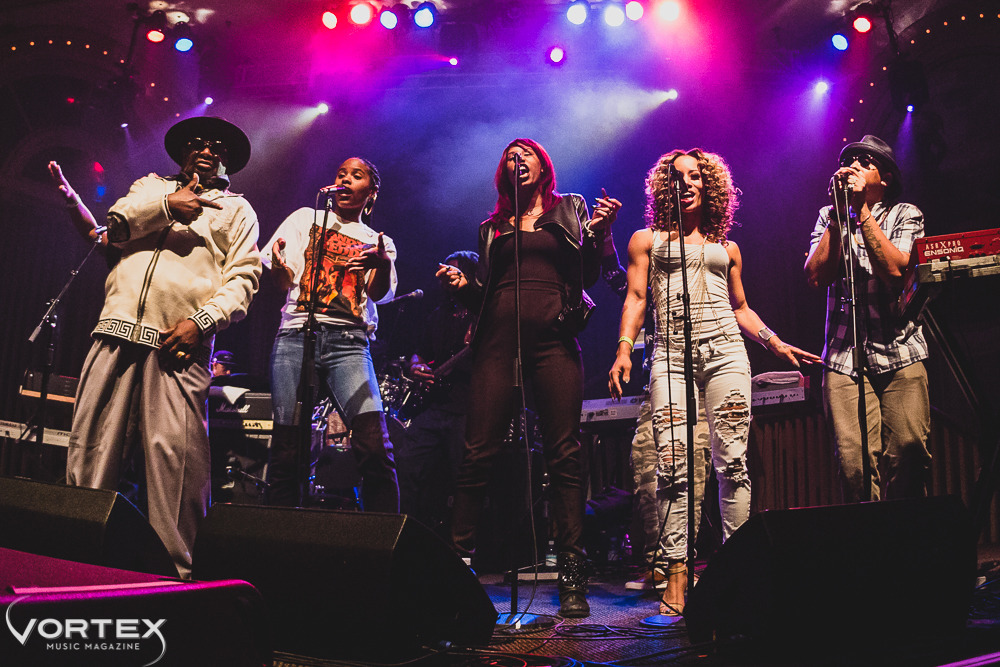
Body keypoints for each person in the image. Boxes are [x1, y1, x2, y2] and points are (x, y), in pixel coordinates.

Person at [609, 148, 820, 616]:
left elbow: (741, 307)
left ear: (710, 188)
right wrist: (624, 347)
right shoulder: (647, 241)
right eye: (676, 177)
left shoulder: (728, 248)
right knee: (673, 463)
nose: (686, 184)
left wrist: (775, 342)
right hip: (670, 355)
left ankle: (736, 568)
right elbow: (637, 297)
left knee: (734, 462)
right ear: (664, 187)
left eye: (695, 177)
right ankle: (677, 572)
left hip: (725, 351)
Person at [66, 116, 262, 579]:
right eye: (198, 143)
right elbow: (115, 228)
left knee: (176, 464)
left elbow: (245, 277)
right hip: (115, 333)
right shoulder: (148, 187)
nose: (207, 150)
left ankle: (175, 579)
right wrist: (167, 206)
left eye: (217, 147)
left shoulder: (237, 210)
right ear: (182, 152)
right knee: (91, 451)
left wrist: (202, 322)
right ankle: (74, 560)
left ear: (227, 160)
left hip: (178, 346)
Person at [438, 138, 621, 618]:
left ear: (544, 165)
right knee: (477, 453)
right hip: (497, 340)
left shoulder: (571, 209)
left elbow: (585, 280)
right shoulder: (490, 227)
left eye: (526, 154)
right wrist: (464, 289)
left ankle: (573, 580)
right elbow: (485, 297)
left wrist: (599, 236)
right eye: (509, 157)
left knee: (564, 454)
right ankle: (458, 569)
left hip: (554, 340)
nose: (517, 161)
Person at [262, 157, 399, 512]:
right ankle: (280, 541)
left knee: (373, 445)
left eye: (356, 176)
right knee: (288, 448)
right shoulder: (304, 219)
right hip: (295, 335)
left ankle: (382, 547)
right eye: (341, 174)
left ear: (371, 193)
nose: (346, 179)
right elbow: (283, 281)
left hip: (349, 343)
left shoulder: (376, 240)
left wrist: (382, 265)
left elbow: (380, 293)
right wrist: (278, 265)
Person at [804, 135, 931, 503]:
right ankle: (872, 551)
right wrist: (840, 217)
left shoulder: (906, 214)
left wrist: (861, 213)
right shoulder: (828, 216)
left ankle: (909, 544)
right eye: (850, 159)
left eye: (865, 161)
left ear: (886, 178)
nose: (854, 164)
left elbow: (895, 273)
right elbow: (815, 276)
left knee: (908, 451)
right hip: (844, 359)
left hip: (900, 351)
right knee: (853, 465)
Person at [395, 251, 478, 539]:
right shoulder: (437, 315)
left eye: (454, 272)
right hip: (434, 408)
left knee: (464, 477)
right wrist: (416, 365)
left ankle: (465, 548)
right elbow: (419, 351)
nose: (446, 278)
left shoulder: (482, 314)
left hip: (468, 408)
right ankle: (409, 535)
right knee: (406, 462)